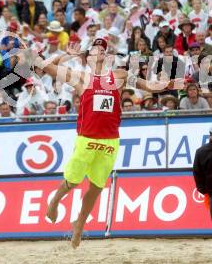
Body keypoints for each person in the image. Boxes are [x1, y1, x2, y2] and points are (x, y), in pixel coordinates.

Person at [41, 37, 179, 248]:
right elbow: (45, 67)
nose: (101, 51)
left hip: (110, 140)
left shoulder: (119, 76)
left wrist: (166, 84)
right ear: (88, 57)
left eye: (104, 49)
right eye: (96, 48)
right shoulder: (80, 78)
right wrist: (67, 55)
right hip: (87, 138)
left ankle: (79, 223)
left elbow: (148, 86)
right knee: (74, 181)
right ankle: (55, 201)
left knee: (97, 186)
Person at [193, 126, 212, 217]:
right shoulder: (201, 152)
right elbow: (197, 173)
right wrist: (204, 190)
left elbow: (197, 173)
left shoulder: (201, 152)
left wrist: (203, 190)